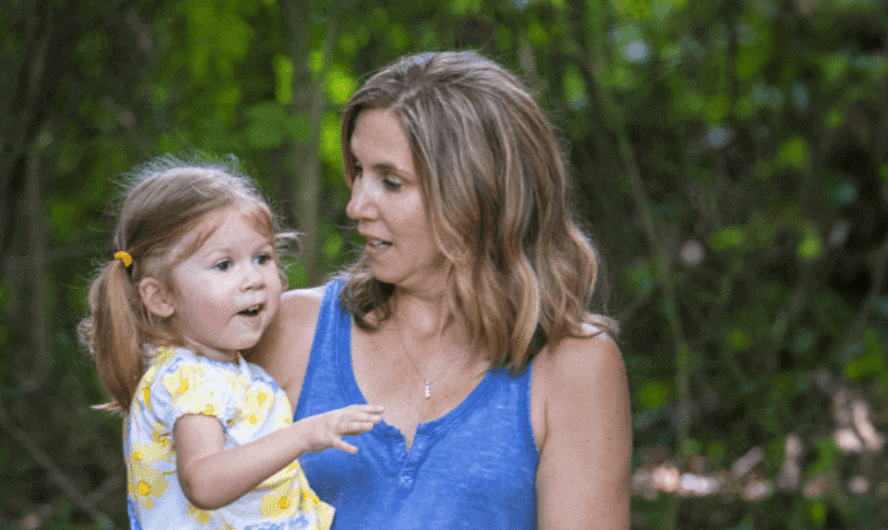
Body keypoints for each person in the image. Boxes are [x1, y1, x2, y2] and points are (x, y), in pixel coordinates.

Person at [247, 51, 633, 530]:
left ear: (475, 193)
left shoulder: (574, 365)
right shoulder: (290, 330)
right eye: (359, 173)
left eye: (391, 181)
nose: (356, 205)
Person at [83, 156, 387, 529]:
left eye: (262, 258)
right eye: (224, 265)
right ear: (161, 298)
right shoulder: (189, 377)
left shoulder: (223, 370)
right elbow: (204, 482)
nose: (253, 278)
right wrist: (305, 435)